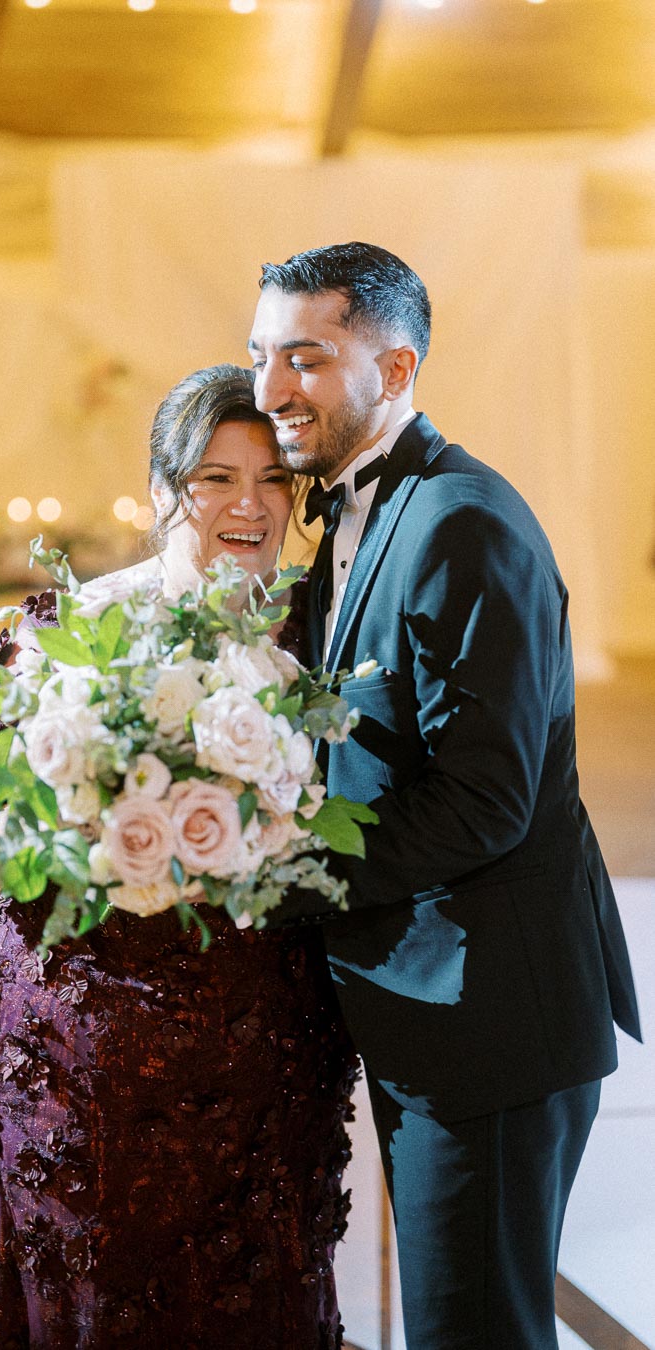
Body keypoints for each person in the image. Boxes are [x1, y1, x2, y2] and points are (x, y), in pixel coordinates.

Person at [247, 241, 642, 1349]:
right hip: (432, 1011)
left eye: (307, 358)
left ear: (399, 370)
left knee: (475, 1333)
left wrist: (274, 882)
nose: (273, 388)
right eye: (261, 355)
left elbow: (485, 801)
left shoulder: (460, 522)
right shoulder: (356, 516)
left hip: (494, 1021)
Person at [0, 363, 359, 1350]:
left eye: (272, 480)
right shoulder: (64, 631)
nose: (248, 504)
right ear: (163, 489)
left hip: (264, 1060)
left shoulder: (322, 645)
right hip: (86, 1064)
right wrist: (86, 840)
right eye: (215, 477)